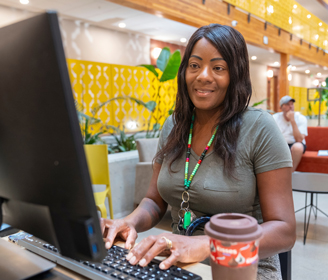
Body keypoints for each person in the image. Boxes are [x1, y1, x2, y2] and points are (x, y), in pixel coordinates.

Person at [101, 24, 296, 280]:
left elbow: (284, 231)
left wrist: (207, 245)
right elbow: (153, 201)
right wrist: (130, 222)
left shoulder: (259, 127)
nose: (203, 76)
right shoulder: (174, 125)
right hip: (179, 261)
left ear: (235, 74)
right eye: (194, 65)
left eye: (218, 67)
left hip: (242, 268)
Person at [273, 96, 308, 173]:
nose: (290, 106)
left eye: (292, 104)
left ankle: (290, 173)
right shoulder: (275, 118)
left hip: (295, 143)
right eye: (287, 104)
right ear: (281, 107)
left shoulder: (301, 118)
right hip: (281, 144)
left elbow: (299, 139)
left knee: (298, 147)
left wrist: (292, 120)